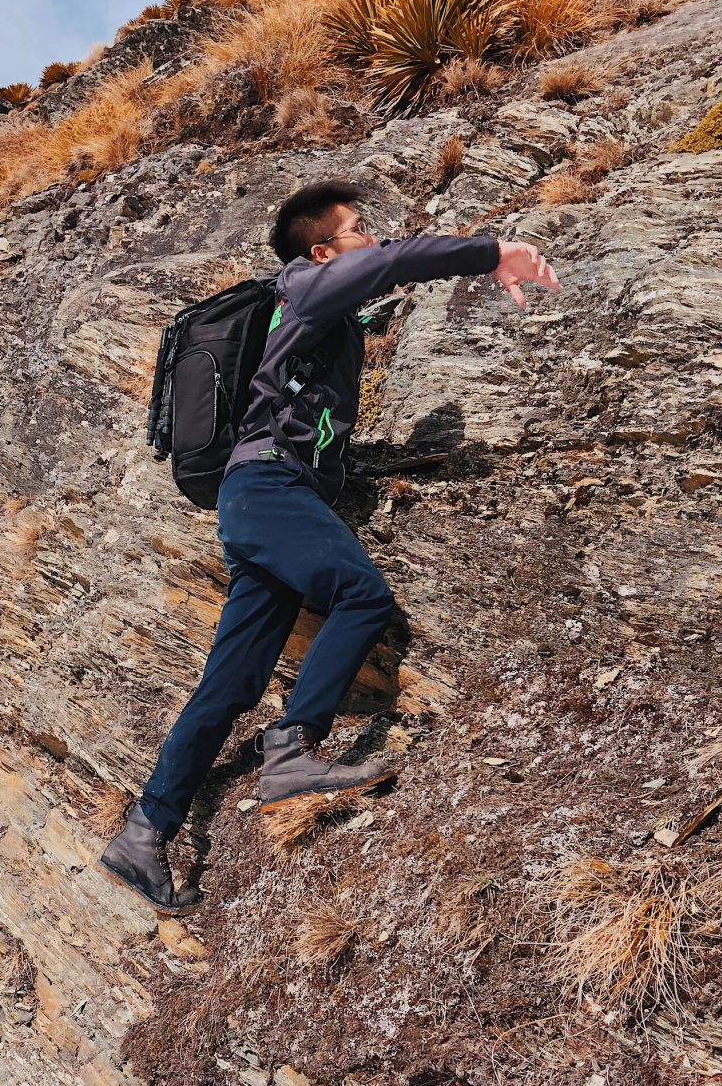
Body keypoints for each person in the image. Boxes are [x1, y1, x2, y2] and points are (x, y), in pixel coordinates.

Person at [99, 179, 561, 914]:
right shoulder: (307, 286)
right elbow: (392, 265)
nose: (371, 237)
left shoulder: (316, 313)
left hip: (255, 503)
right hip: (270, 492)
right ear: (321, 251)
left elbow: (369, 296)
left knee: (228, 686)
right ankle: (292, 750)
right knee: (362, 596)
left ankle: (144, 830)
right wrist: (492, 250)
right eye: (358, 229)